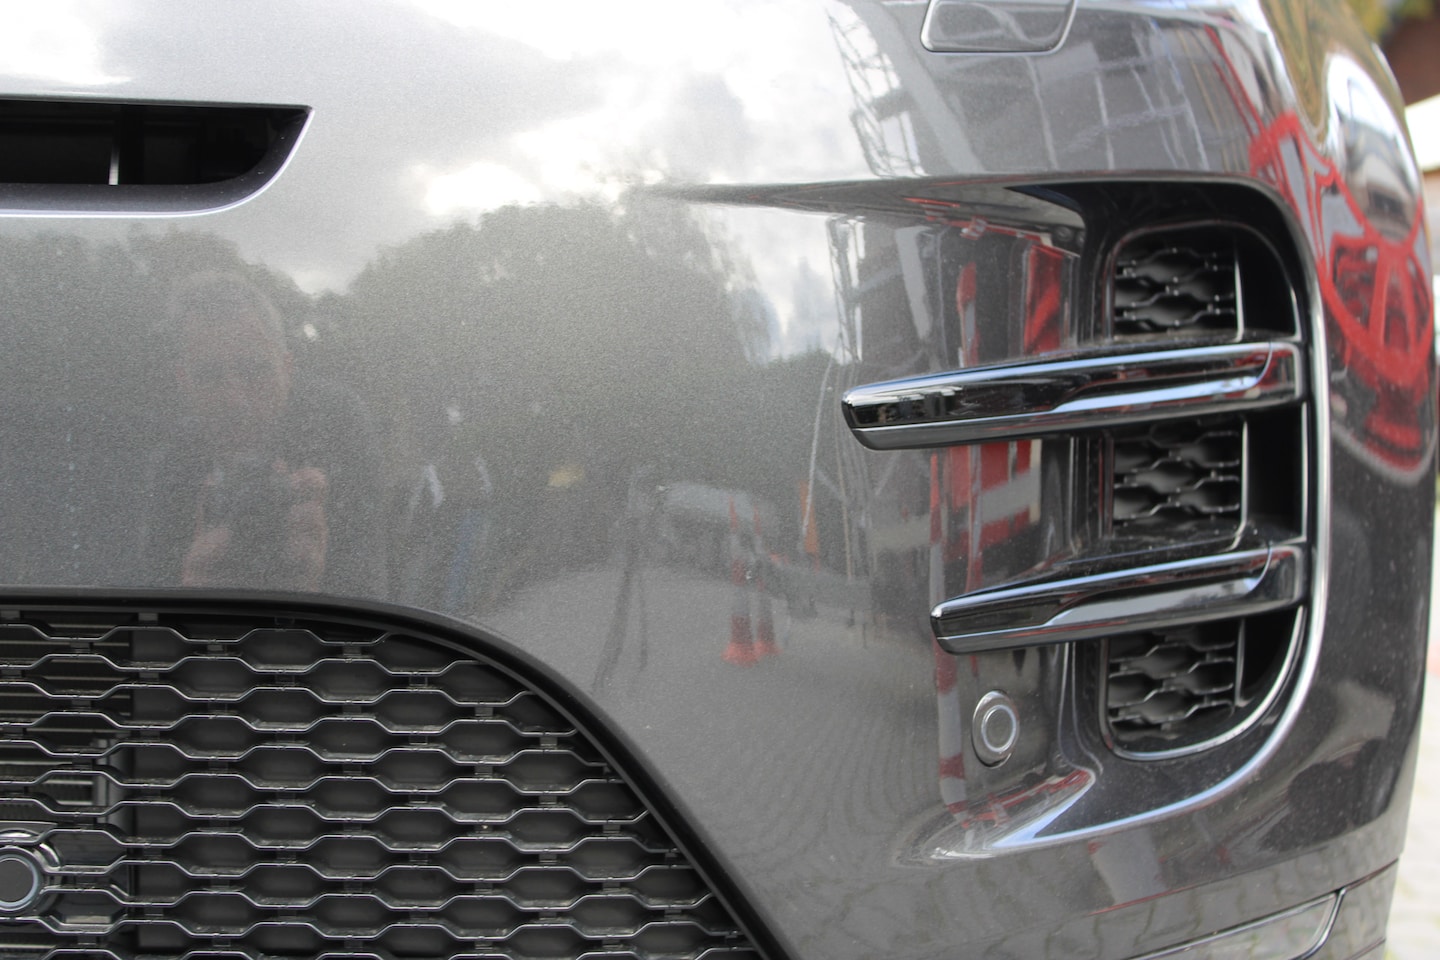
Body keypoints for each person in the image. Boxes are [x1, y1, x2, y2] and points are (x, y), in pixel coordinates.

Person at [144, 270, 384, 595]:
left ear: (287, 369)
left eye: (255, 370)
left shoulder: (336, 426)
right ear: (183, 381)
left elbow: (369, 583)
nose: (235, 399)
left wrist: (313, 582)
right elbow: (149, 590)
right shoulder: (174, 458)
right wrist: (191, 589)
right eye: (210, 375)